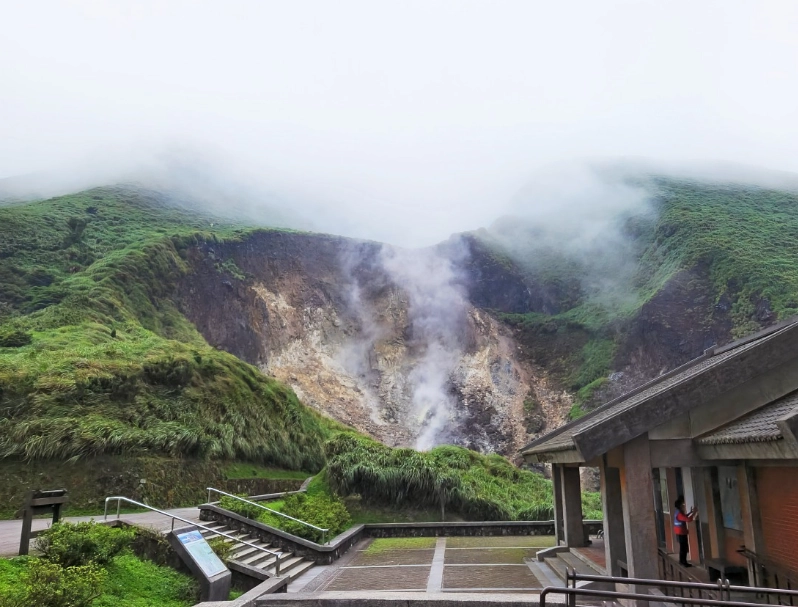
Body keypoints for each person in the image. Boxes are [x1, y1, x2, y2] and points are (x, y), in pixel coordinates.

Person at [674, 496, 698, 567]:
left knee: (683, 547)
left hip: (680, 532)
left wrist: (690, 512)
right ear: (680, 506)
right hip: (681, 533)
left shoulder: (678, 512)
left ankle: (682, 561)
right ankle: (683, 562)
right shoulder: (679, 513)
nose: (684, 506)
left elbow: (685, 517)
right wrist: (694, 514)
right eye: (683, 505)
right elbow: (687, 519)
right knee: (683, 548)